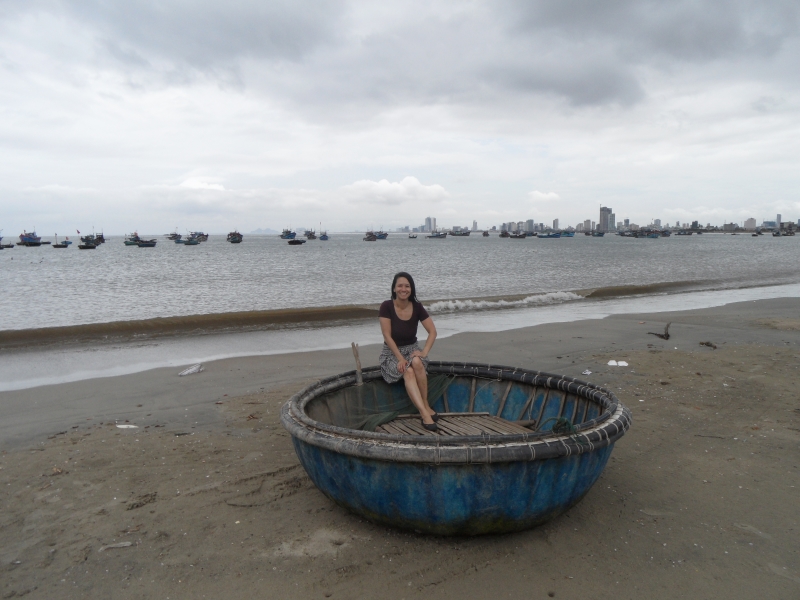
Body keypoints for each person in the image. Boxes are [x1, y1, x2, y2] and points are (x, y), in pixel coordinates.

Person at [379, 272, 439, 431]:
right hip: (391, 353)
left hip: (412, 349)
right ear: (394, 288)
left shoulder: (417, 307)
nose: (403, 289)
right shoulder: (386, 306)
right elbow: (387, 335)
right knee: (408, 370)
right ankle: (424, 413)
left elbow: (432, 331)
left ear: (411, 289)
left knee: (417, 362)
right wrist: (400, 358)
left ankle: (425, 403)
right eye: (400, 286)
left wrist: (424, 352)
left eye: (407, 286)